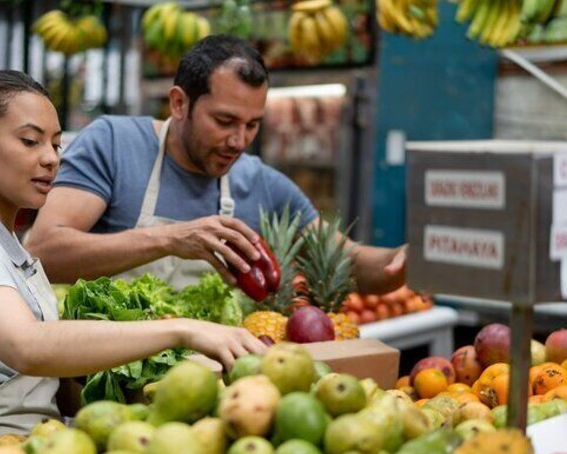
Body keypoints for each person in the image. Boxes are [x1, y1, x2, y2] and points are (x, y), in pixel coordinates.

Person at [0, 70, 264, 454]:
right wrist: (181, 331)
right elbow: (27, 347)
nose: (51, 158)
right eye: (30, 141)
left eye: (56, 143)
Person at [25, 35, 406, 294]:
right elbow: (45, 252)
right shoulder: (115, 143)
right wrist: (171, 240)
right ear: (179, 103)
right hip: (104, 387)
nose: (239, 141)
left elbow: (352, 262)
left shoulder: (263, 185)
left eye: (252, 124)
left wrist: (410, 259)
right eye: (224, 122)